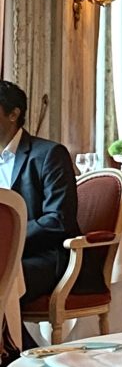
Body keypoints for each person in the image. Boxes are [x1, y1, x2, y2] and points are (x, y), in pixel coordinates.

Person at [0, 79, 79, 303]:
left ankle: (14, 340)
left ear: (13, 114)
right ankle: (17, 340)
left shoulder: (49, 155)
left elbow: (59, 220)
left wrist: (8, 241)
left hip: (43, 256)